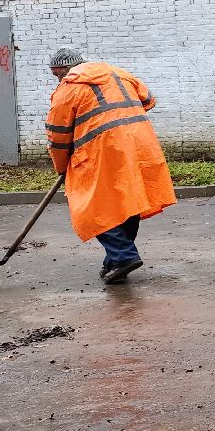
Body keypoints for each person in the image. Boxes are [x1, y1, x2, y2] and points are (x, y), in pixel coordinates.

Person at [46, 48, 176, 284]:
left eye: (57, 74)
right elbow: (149, 100)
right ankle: (115, 260)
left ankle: (124, 256)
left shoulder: (68, 89)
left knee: (92, 207)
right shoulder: (119, 74)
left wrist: (61, 166)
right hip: (140, 145)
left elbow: (58, 136)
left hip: (103, 151)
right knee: (129, 200)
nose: (58, 79)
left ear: (66, 68)